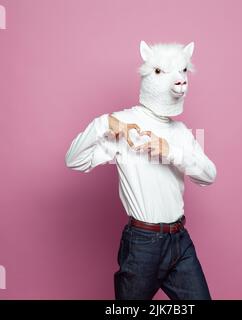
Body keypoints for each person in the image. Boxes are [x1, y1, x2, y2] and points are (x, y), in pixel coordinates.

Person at [65, 40, 217, 300]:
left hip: (180, 241)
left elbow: (208, 176)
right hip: (143, 243)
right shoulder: (123, 124)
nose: (179, 80)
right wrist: (103, 123)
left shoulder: (180, 132)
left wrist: (171, 152)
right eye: (162, 71)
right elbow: (74, 160)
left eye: (182, 72)